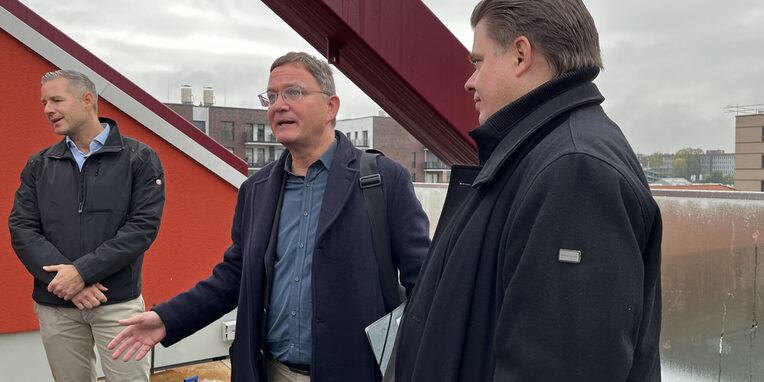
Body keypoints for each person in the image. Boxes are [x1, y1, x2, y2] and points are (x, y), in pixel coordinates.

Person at [109, 52, 430, 382]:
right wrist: (167, 319)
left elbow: (425, 282)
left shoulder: (383, 181)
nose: (278, 105)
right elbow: (235, 276)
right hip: (267, 371)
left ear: (331, 106)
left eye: (293, 92)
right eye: (272, 96)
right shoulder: (256, 190)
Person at [391, 1, 663, 381]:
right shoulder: (538, 153)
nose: (470, 81)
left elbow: (561, 368)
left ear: (520, 55)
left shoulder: (575, 170)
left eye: (478, 62)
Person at [8, 69, 165, 382]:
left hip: (117, 303)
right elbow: (22, 228)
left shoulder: (139, 158)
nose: (47, 109)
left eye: (56, 100)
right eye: (43, 102)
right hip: (57, 304)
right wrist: (70, 281)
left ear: (87, 100)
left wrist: (81, 274)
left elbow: (142, 228)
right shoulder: (39, 164)